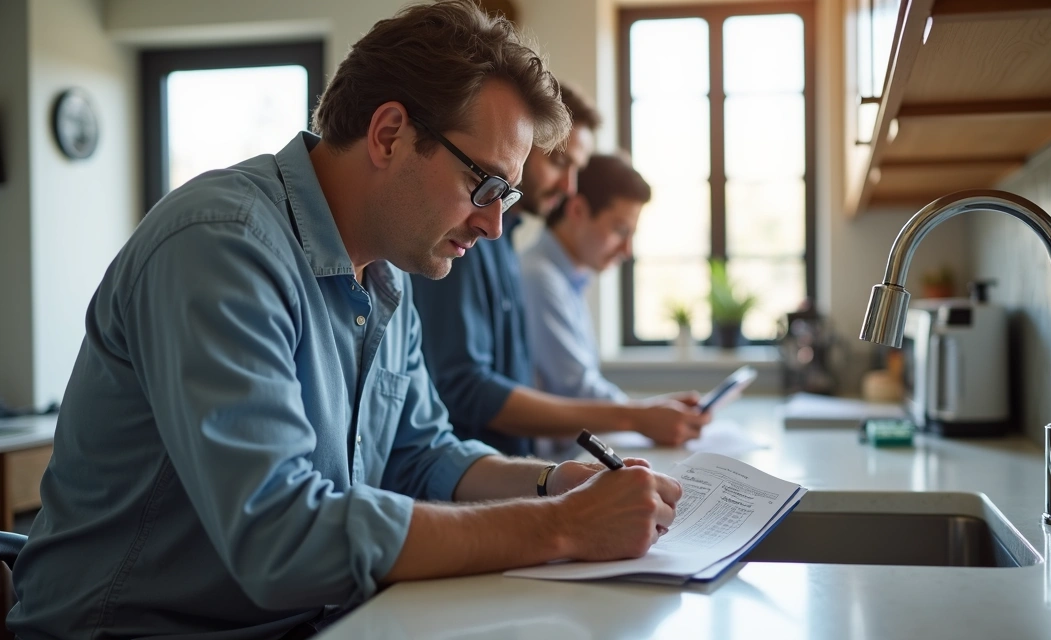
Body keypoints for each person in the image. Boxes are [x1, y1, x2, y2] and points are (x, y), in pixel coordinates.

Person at [8, 3, 680, 639]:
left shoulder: (387, 272)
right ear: (390, 134)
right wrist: (560, 526)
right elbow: (281, 537)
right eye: (484, 186)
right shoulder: (221, 246)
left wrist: (555, 482)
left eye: (506, 194)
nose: (495, 224)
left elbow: (424, 455)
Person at [411, 86, 709, 458]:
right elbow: (467, 388)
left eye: (575, 170)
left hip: (504, 471)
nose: (569, 188)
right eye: (559, 162)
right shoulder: (465, 239)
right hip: (474, 480)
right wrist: (635, 417)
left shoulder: (503, 243)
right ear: (520, 145)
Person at [519, 153, 648, 403]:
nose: (627, 250)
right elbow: (575, 388)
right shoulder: (539, 278)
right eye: (620, 230)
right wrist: (646, 415)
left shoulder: (570, 280)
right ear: (577, 210)